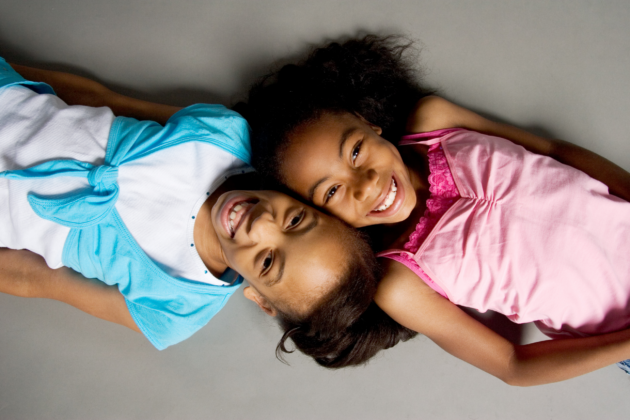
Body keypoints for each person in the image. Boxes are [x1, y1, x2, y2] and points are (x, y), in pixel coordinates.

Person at [244, 35, 630, 385]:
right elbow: (513, 364)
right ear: (324, 218)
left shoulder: (436, 121)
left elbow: (553, 152)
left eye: (356, 151)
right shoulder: (402, 282)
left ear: (368, 123)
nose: (365, 184)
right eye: (331, 192)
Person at [0, 57, 381, 352]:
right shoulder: (227, 138)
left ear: (261, 300)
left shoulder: (179, 307)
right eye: (296, 219)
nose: (261, 224)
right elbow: (102, 99)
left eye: (268, 261)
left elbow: (33, 278)